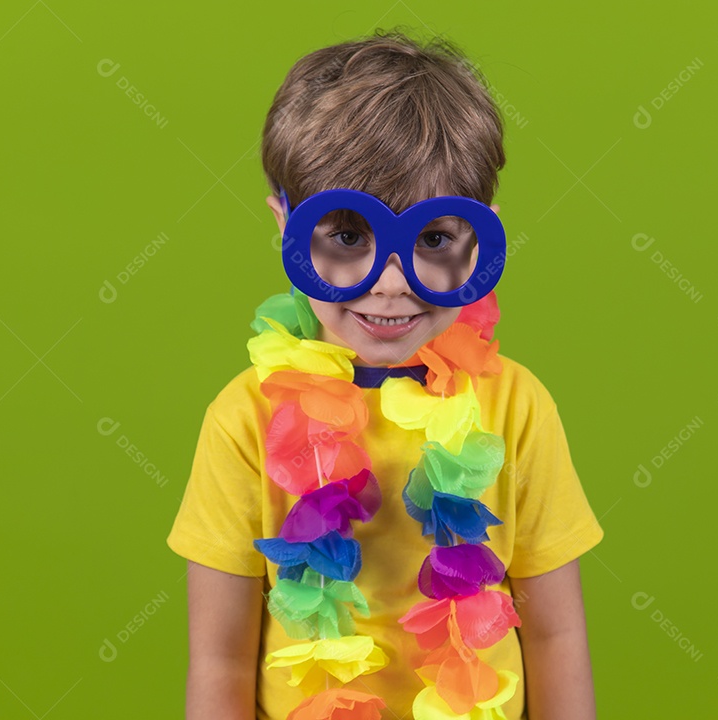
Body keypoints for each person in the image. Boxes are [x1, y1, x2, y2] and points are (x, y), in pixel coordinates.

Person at [166, 27, 605, 720]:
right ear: (285, 227)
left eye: (431, 238)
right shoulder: (245, 418)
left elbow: (556, 633)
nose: (392, 283)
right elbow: (219, 659)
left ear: (480, 238)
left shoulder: (516, 407)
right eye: (347, 237)